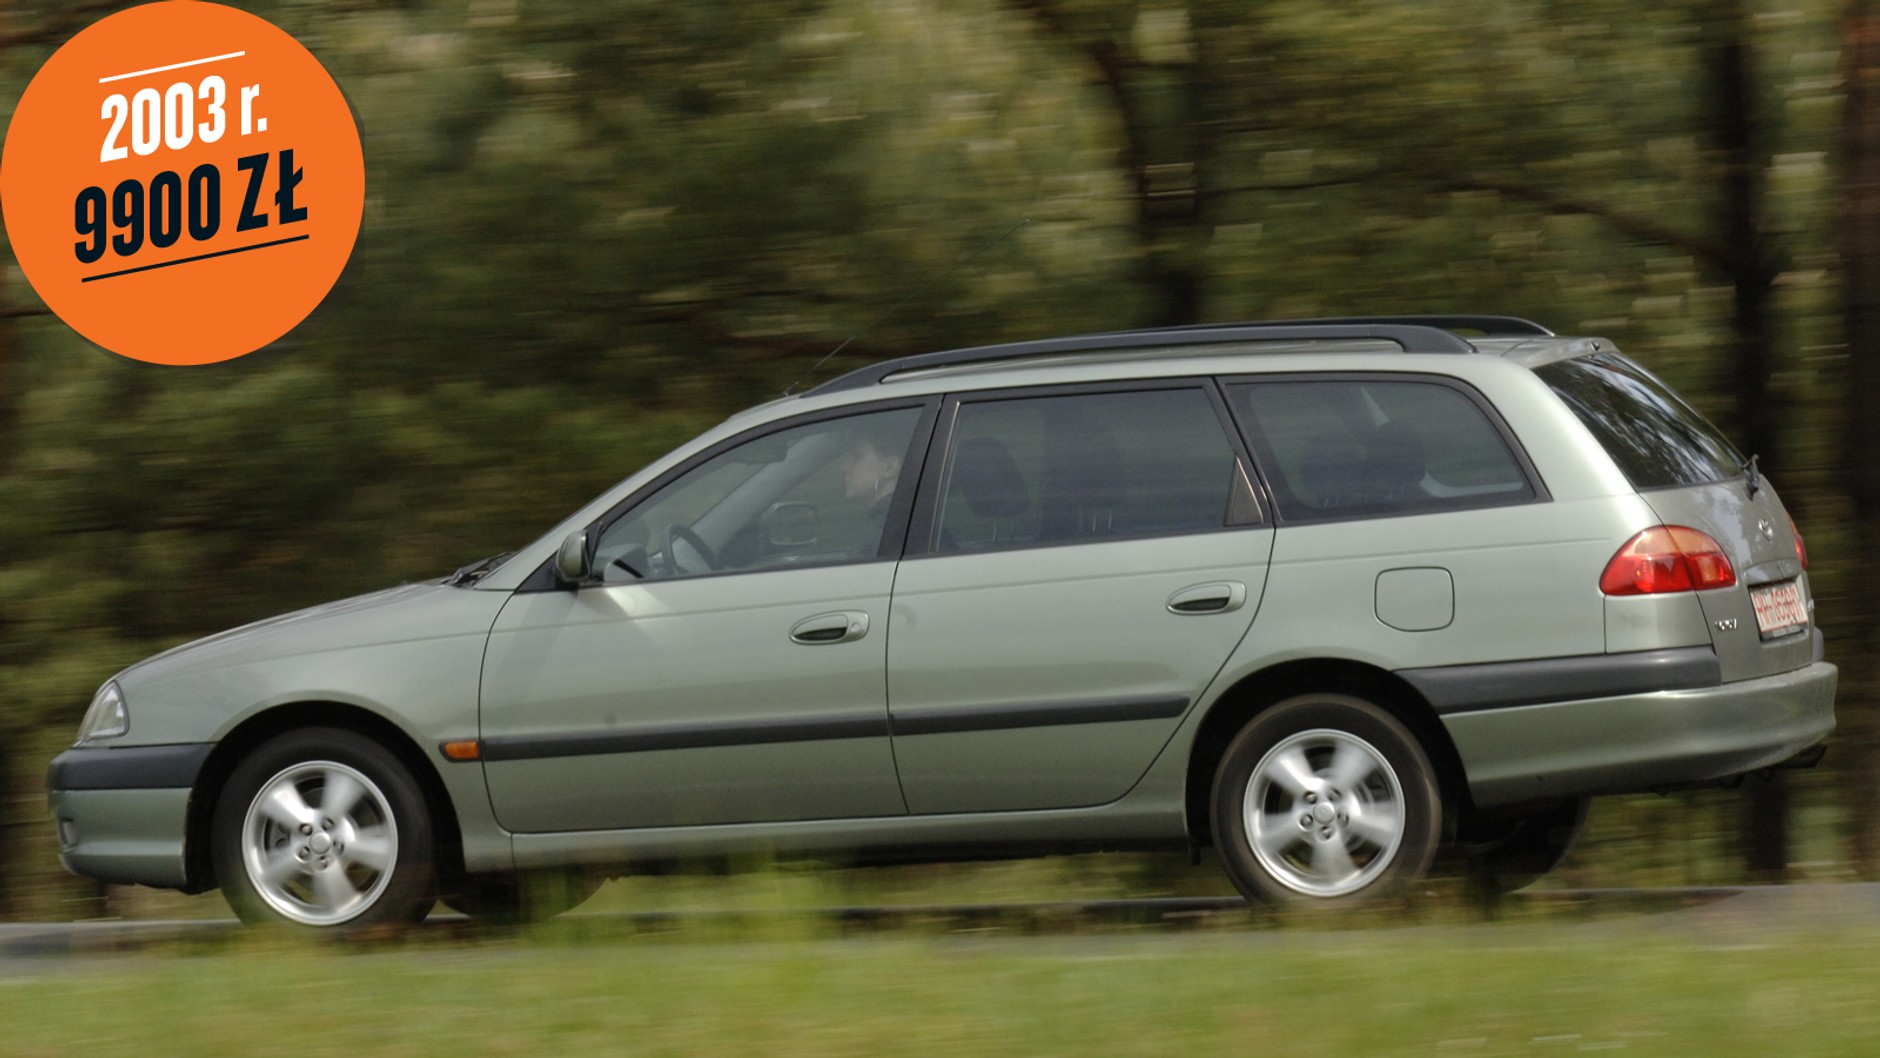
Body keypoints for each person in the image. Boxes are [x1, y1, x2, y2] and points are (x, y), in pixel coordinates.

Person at [839, 424, 904, 556]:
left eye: (857, 457)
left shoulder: (889, 534)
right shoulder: (901, 523)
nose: (844, 467)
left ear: (889, 467)